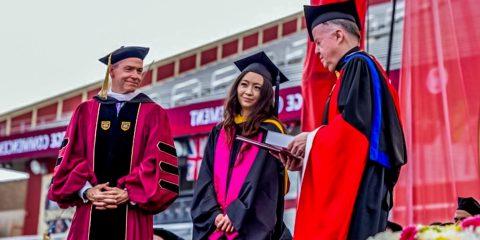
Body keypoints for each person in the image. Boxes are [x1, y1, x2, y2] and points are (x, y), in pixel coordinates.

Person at [277, 1, 407, 239]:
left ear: (338, 35)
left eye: (318, 41)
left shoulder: (359, 65)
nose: (316, 51)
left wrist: (311, 138)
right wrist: (307, 156)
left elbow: (353, 134)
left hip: (361, 188)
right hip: (367, 185)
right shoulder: (357, 70)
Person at [48, 46, 179, 240]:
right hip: (90, 210)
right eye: (129, 69)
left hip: (132, 212)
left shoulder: (154, 113)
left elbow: (157, 163)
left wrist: (128, 192)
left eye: (139, 70)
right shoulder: (86, 111)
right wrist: (87, 191)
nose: (135, 75)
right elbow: (70, 160)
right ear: (112, 71)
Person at [190, 51, 292, 239]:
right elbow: (205, 176)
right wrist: (215, 215)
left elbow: (268, 181)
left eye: (257, 87)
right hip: (217, 224)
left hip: (250, 225)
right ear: (236, 87)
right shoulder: (220, 130)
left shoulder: (272, 130)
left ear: (266, 93)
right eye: (244, 85)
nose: (248, 92)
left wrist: (235, 214)